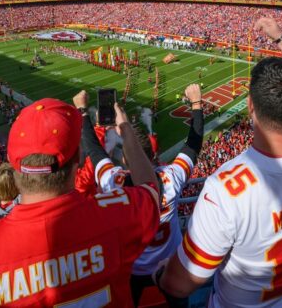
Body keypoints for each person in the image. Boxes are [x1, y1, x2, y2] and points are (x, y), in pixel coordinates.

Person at [159, 17, 282, 307]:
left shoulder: (223, 191)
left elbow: (180, 283)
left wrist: (159, 274)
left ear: (250, 107)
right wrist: (281, 38)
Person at [0, 98, 161, 307]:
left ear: (11, 161)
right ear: (78, 158)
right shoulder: (117, 215)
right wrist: (125, 129)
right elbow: (150, 190)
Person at [87, 84, 204, 307]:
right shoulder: (172, 177)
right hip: (170, 266)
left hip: (131, 270)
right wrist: (197, 105)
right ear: (155, 155)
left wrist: (84, 114)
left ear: (124, 161)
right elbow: (193, 144)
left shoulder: (114, 183)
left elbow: (94, 152)